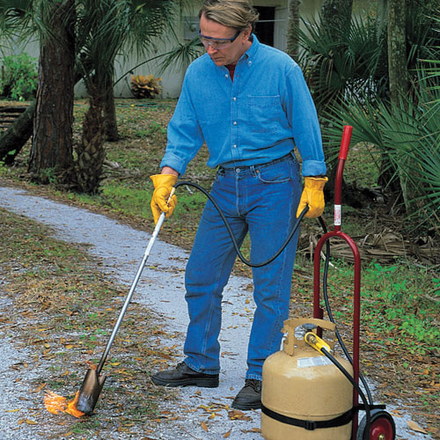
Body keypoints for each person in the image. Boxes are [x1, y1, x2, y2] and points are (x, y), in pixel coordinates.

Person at [149, 0, 327, 411]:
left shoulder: (281, 68)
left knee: (269, 287)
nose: (210, 49)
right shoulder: (198, 73)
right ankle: (200, 364)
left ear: (247, 34)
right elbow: (184, 129)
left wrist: (314, 179)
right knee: (201, 275)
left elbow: (306, 123)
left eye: (220, 42)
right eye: (204, 39)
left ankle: (260, 375)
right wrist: (167, 175)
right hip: (225, 185)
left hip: (276, 184)